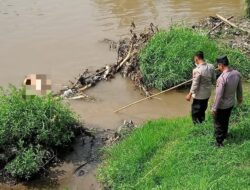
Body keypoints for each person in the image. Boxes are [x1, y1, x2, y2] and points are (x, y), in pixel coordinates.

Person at [212, 55, 243, 147]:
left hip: (222, 106)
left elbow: (218, 95)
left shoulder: (222, 78)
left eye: (218, 65)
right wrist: (239, 99)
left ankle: (219, 142)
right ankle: (225, 135)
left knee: (218, 123)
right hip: (231, 103)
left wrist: (214, 108)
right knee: (226, 120)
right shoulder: (237, 73)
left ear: (221, 65)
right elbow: (239, 89)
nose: (217, 68)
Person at [186, 51, 216, 124]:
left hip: (199, 96)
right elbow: (213, 80)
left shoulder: (197, 70)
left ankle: (197, 127)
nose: (194, 61)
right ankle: (202, 123)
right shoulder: (211, 66)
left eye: (194, 59)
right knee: (203, 110)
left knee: (195, 112)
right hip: (207, 94)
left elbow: (195, 84)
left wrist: (189, 94)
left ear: (197, 58)